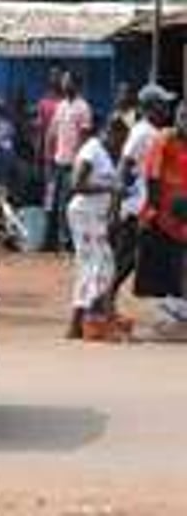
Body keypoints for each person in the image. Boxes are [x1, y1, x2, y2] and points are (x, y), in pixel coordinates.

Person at [111, 83, 177, 301]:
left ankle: (105, 303)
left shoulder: (155, 133)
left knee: (135, 260)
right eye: (163, 104)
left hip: (146, 207)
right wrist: (116, 207)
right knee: (125, 260)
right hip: (135, 208)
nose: (167, 109)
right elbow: (124, 165)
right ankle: (101, 305)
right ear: (150, 107)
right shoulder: (141, 132)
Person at [64, 115, 127, 340]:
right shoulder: (92, 150)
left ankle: (80, 323)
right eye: (120, 138)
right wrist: (110, 187)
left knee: (99, 265)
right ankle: (90, 321)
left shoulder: (105, 153)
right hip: (83, 213)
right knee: (98, 266)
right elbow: (77, 184)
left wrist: (112, 211)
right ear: (110, 132)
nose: (121, 144)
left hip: (95, 216)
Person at [136, 101, 187, 339]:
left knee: (179, 263)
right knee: (158, 266)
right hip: (164, 213)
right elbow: (152, 177)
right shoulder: (164, 139)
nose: (184, 121)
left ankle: (178, 313)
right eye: (182, 116)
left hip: (182, 214)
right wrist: (156, 208)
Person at [45, 71, 92, 252]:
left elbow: (84, 137)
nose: (64, 84)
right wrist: (48, 155)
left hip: (73, 164)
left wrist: (79, 162)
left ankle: (68, 242)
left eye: (67, 81)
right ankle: (59, 241)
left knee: (69, 203)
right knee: (55, 203)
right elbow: (52, 130)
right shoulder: (61, 105)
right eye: (64, 81)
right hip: (58, 162)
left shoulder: (83, 107)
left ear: (75, 85)